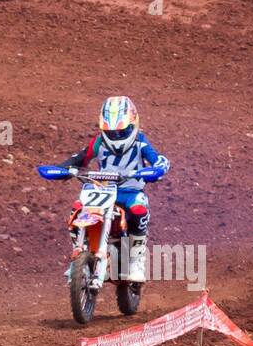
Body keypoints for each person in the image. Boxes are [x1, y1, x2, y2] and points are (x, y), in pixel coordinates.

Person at [54, 96, 169, 281]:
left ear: (133, 124)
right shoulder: (99, 142)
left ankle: (136, 261)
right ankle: (78, 255)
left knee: (138, 210)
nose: (116, 136)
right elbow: (80, 158)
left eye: (121, 132)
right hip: (103, 190)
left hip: (130, 192)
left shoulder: (140, 141)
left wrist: (158, 168)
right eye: (111, 132)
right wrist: (63, 168)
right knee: (78, 209)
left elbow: (157, 159)